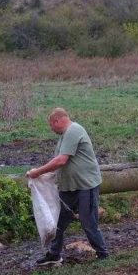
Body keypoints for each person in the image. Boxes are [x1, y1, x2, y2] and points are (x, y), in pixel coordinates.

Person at [27, 108, 109, 265]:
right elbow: (58, 160)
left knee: (88, 221)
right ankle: (54, 254)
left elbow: (61, 161)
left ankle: (103, 254)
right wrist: (46, 175)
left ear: (57, 121)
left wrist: (37, 172)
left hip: (86, 185)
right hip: (69, 187)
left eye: (51, 125)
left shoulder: (74, 130)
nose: (51, 129)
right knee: (58, 221)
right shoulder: (64, 137)